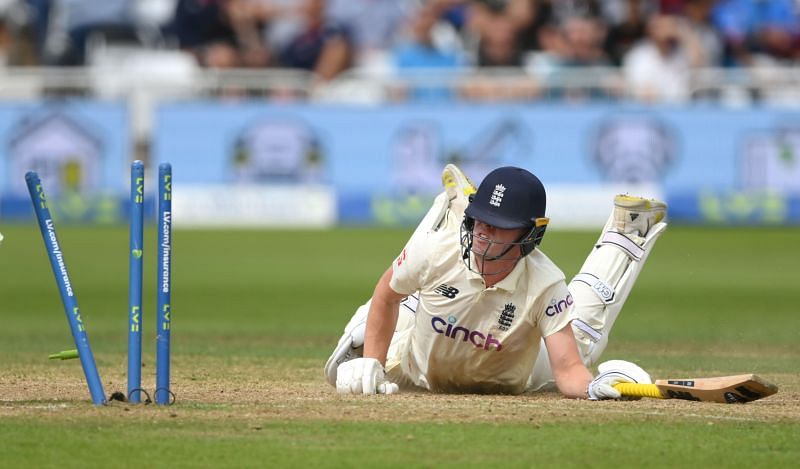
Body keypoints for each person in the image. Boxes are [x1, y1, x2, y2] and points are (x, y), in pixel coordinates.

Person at [325, 164, 666, 398]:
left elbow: (570, 371)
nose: (484, 232)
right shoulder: (434, 250)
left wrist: (595, 389)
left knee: (583, 338)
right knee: (360, 345)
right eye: (480, 220)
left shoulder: (546, 283)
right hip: (418, 374)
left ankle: (627, 232)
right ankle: (451, 207)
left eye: (499, 224)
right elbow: (387, 295)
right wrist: (371, 361)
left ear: (532, 232)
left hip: (519, 375)